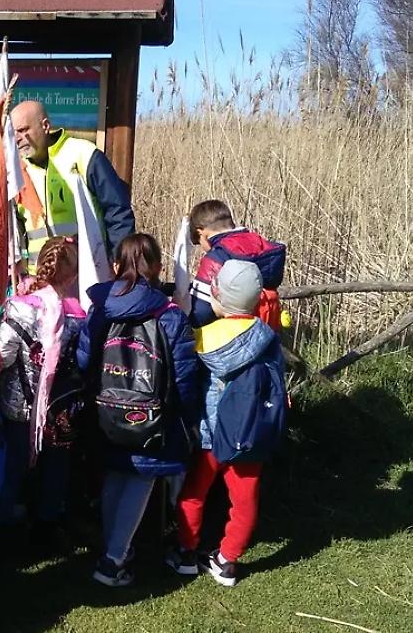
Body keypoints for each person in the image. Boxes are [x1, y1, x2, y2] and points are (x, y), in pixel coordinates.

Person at [77, 233, 200, 588]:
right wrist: (188, 416)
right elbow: (185, 374)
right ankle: (113, 560)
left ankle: (114, 548)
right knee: (141, 479)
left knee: (116, 474)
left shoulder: (100, 308)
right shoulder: (169, 314)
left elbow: (85, 358)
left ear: (116, 265)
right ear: (158, 267)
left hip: (106, 408)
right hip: (153, 416)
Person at [168, 260, 285, 588]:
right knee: (246, 499)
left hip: (209, 432)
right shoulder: (268, 337)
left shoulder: (202, 337)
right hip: (249, 432)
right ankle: (227, 559)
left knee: (194, 493)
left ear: (216, 294)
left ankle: (186, 552)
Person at [0, 237, 85, 546]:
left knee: (14, 465)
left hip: (20, 404)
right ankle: (46, 521)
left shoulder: (21, 308)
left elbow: (2, 356)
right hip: (60, 407)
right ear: (73, 276)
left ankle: (5, 524)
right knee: (56, 467)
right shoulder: (79, 315)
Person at [9, 100, 135, 270]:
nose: (17, 138)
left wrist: (119, 259)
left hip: (87, 275)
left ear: (45, 126)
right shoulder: (17, 172)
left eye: (23, 130)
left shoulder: (83, 154)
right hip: (39, 281)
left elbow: (117, 210)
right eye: (13, 133)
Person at [187, 199, 287, 329]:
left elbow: (200, 312)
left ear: (201, 232)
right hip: (266, 331)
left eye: (199, 242)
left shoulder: (217, 256)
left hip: (233, 336)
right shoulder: (262, 245)